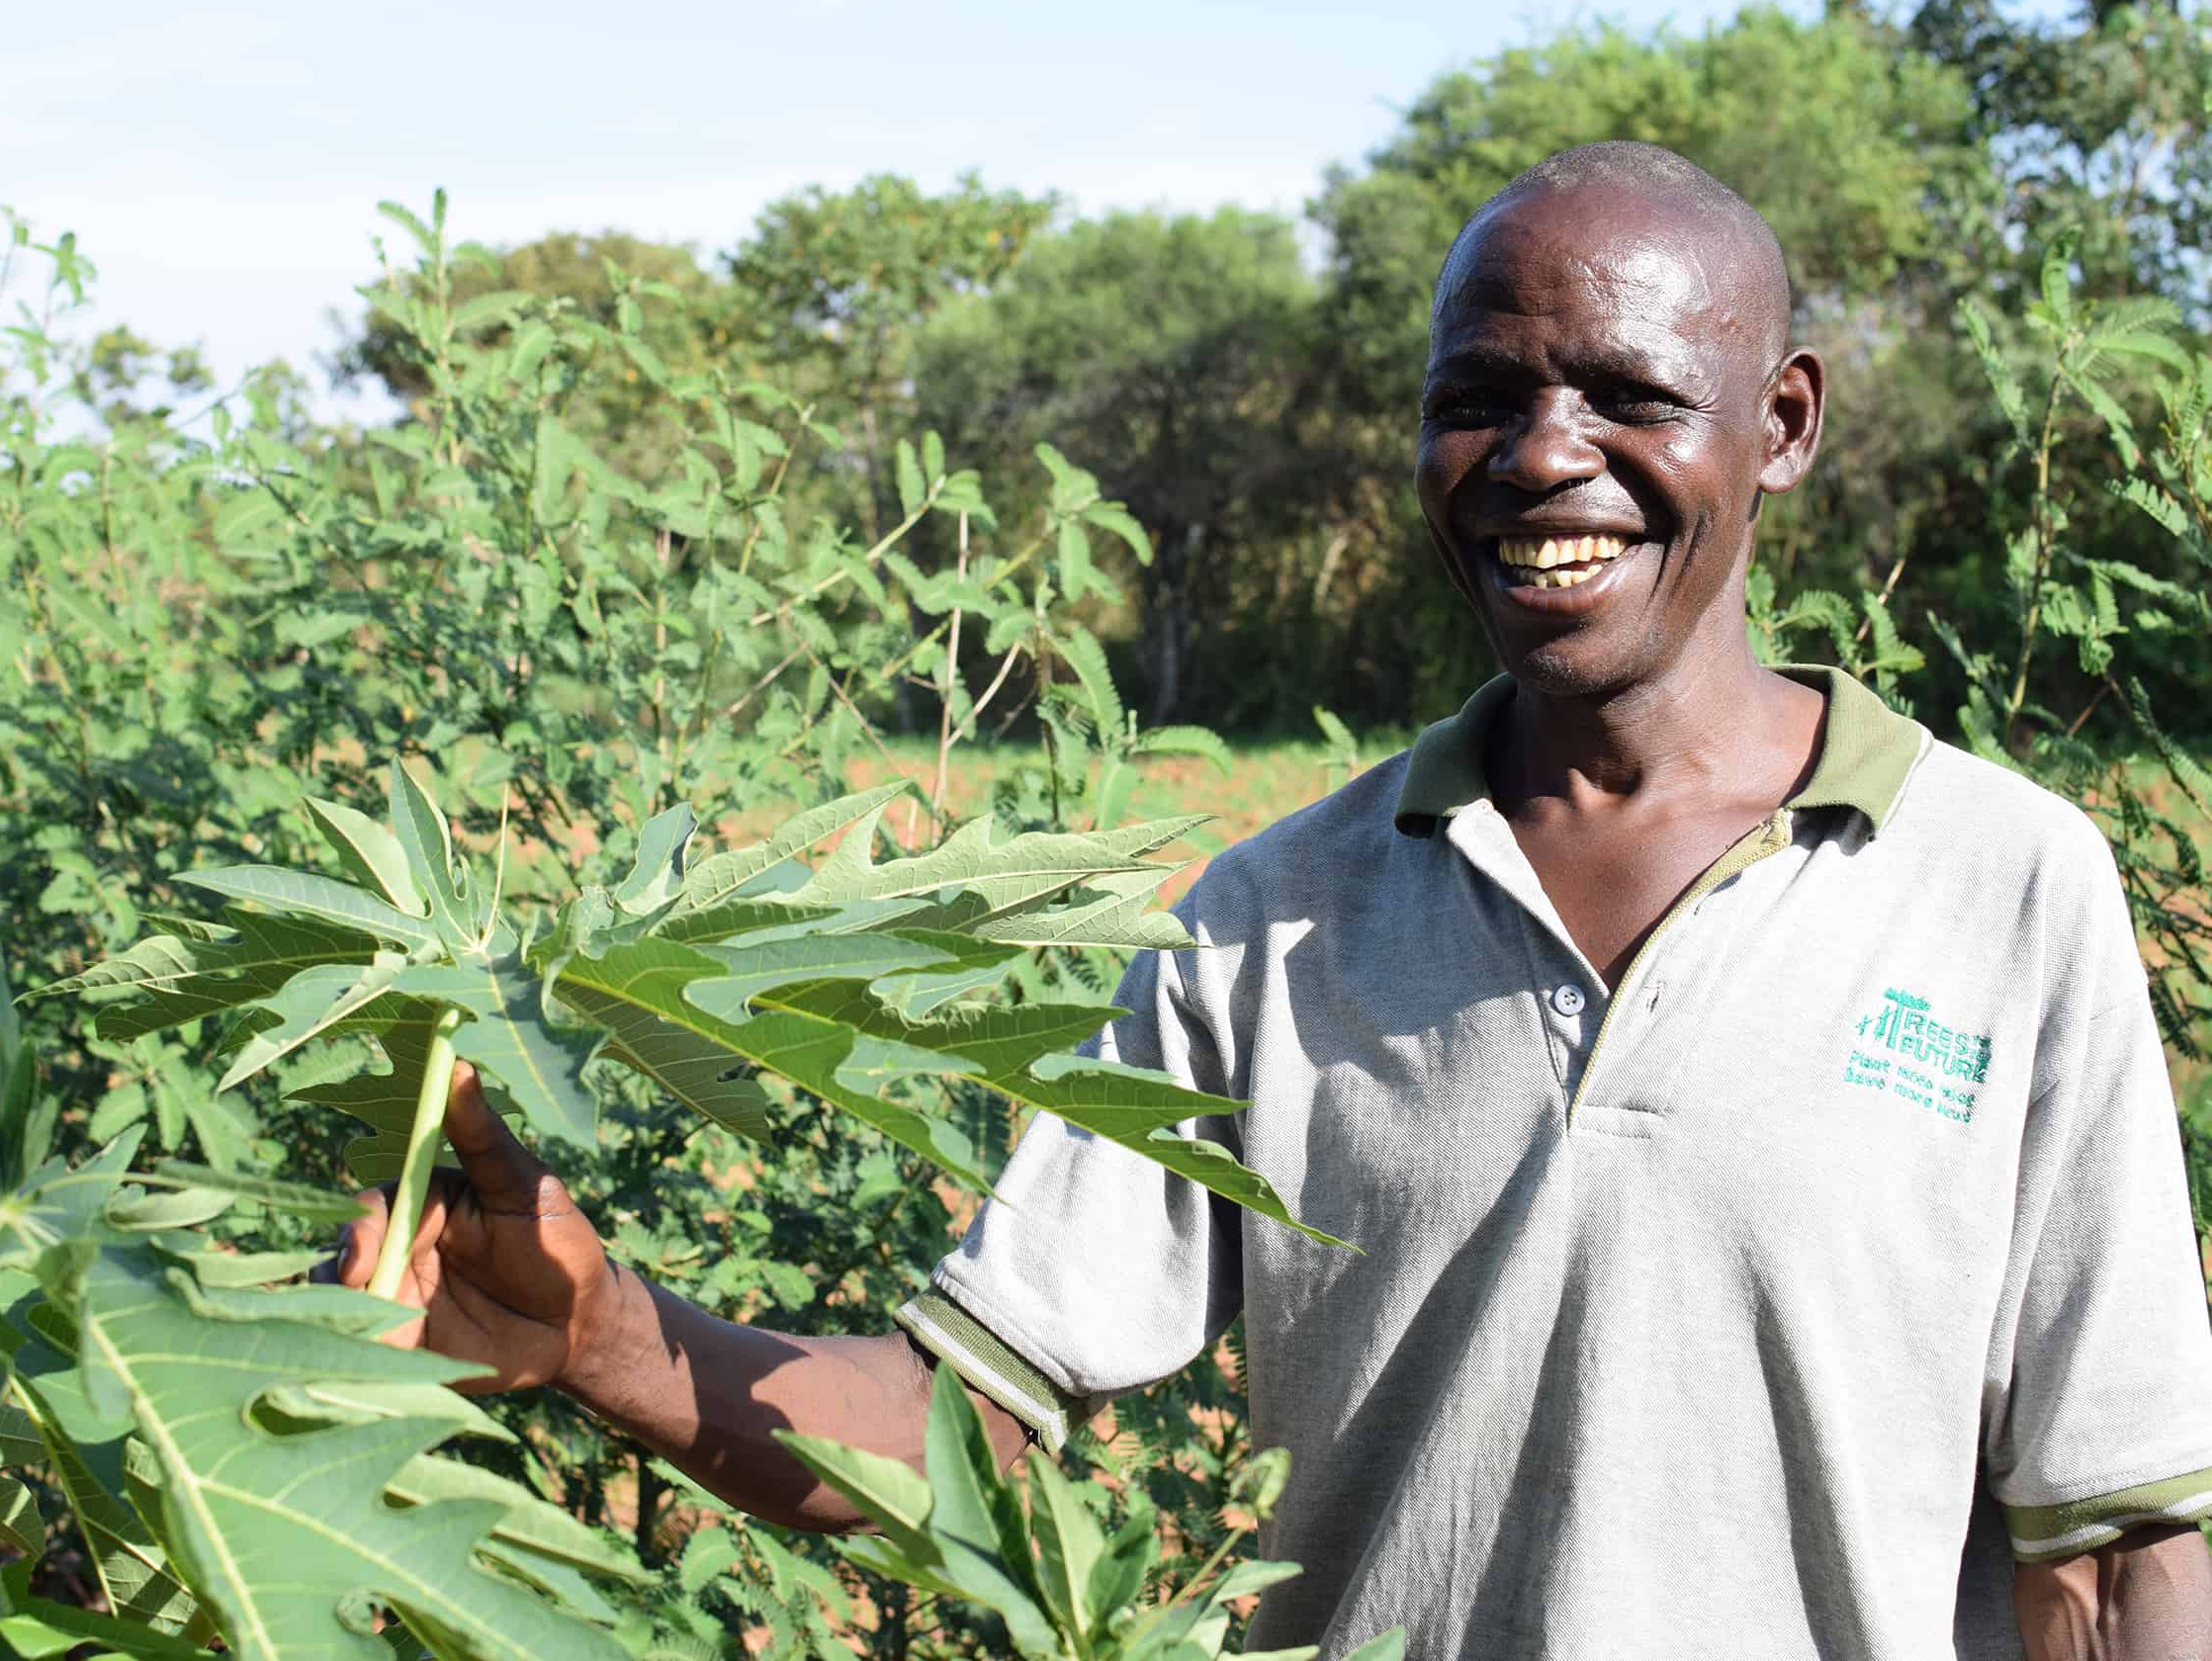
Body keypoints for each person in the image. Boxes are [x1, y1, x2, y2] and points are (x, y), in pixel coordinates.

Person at [333, 142, 2212, 1659]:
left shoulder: (1998, 884)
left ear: (1782, 423)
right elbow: (968, 1421)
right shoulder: (1274, 914)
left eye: (1631, 395)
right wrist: (606, 1335)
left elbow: (2116, 1541)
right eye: (1479, 401)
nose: (1541, 457)